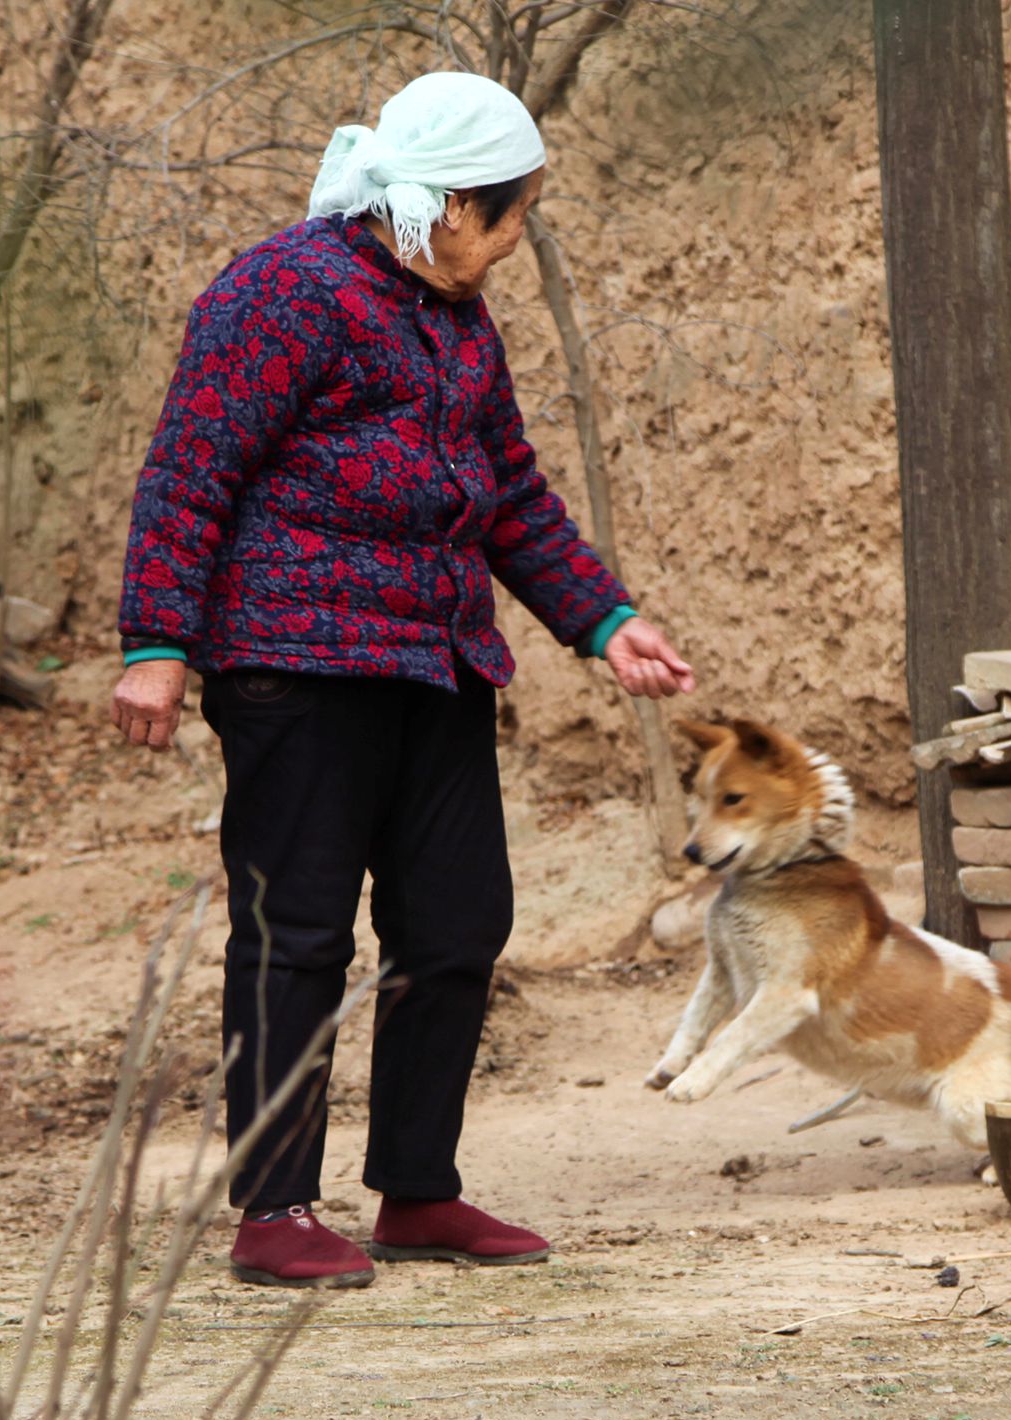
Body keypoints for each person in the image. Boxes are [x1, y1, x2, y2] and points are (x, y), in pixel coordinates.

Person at [111, 71, 696, 1291]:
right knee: (297, 934)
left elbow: (509, 490)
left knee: (456, 922)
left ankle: (417, 1190)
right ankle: (274, 1208)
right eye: (515, 214)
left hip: (436, 662)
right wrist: (156, 646)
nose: (518, 239)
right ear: (455, 205)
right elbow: (189, 467)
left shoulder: (457, 318)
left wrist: (603, 620)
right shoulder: (283, 291)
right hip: (296, 665)